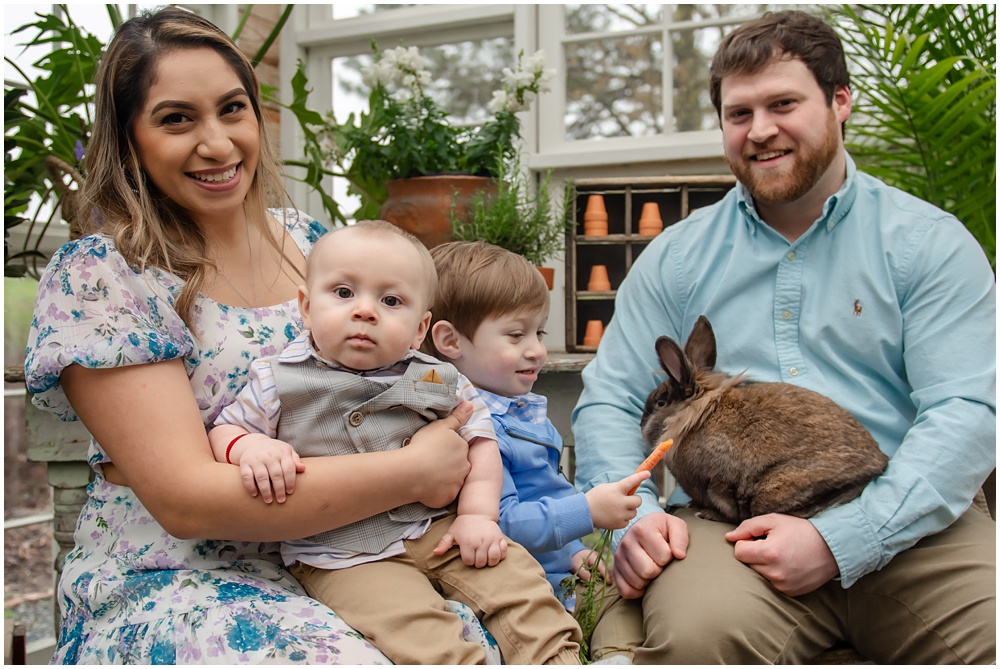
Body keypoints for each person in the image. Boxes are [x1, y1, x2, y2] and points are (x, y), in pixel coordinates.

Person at [22, 7, 499, 664]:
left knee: (489, 629)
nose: (217, 143)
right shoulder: (104, 276)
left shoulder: (317, 248)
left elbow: (408, 388)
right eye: (176, 118)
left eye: (232, 108)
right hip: (173, 580)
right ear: (129, 139)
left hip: (342, 557)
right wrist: (413, 469)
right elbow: (189, 501)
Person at [572, 9, 996, 665]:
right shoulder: (677, 258)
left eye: (783, 103)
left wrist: (846, 538)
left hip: (906, 514)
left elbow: (968, 412)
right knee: (694, 638)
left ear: (841, 101)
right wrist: (635, 519)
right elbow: (609, 402)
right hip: (726, 526)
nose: (761, 130)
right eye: (739, 113)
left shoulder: (926, 244)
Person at [208, 221, 583, 664]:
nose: (366, 311)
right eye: (344, 293)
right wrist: (250, 448)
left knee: (517, 582)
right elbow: (224, 430)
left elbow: (480, 438)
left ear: (419, 327)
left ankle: (558, 659)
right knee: (412, 627)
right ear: (306, 308)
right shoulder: (279, 379)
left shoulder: (433, 375)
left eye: (391, 301)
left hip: (437, 528)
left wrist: (478, 516)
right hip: (340, 554)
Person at [423, 240, 650, 662]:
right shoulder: (471, 429)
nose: (537, 350)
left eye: (539, 332)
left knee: (630, 590)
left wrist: (573, 550)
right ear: (450, 340)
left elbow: (541, 492)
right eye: (516, 334)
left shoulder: (518, 410)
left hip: (557, 566)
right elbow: (502, 523)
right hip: (523, 585)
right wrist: (587, 511)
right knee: (621, 606)